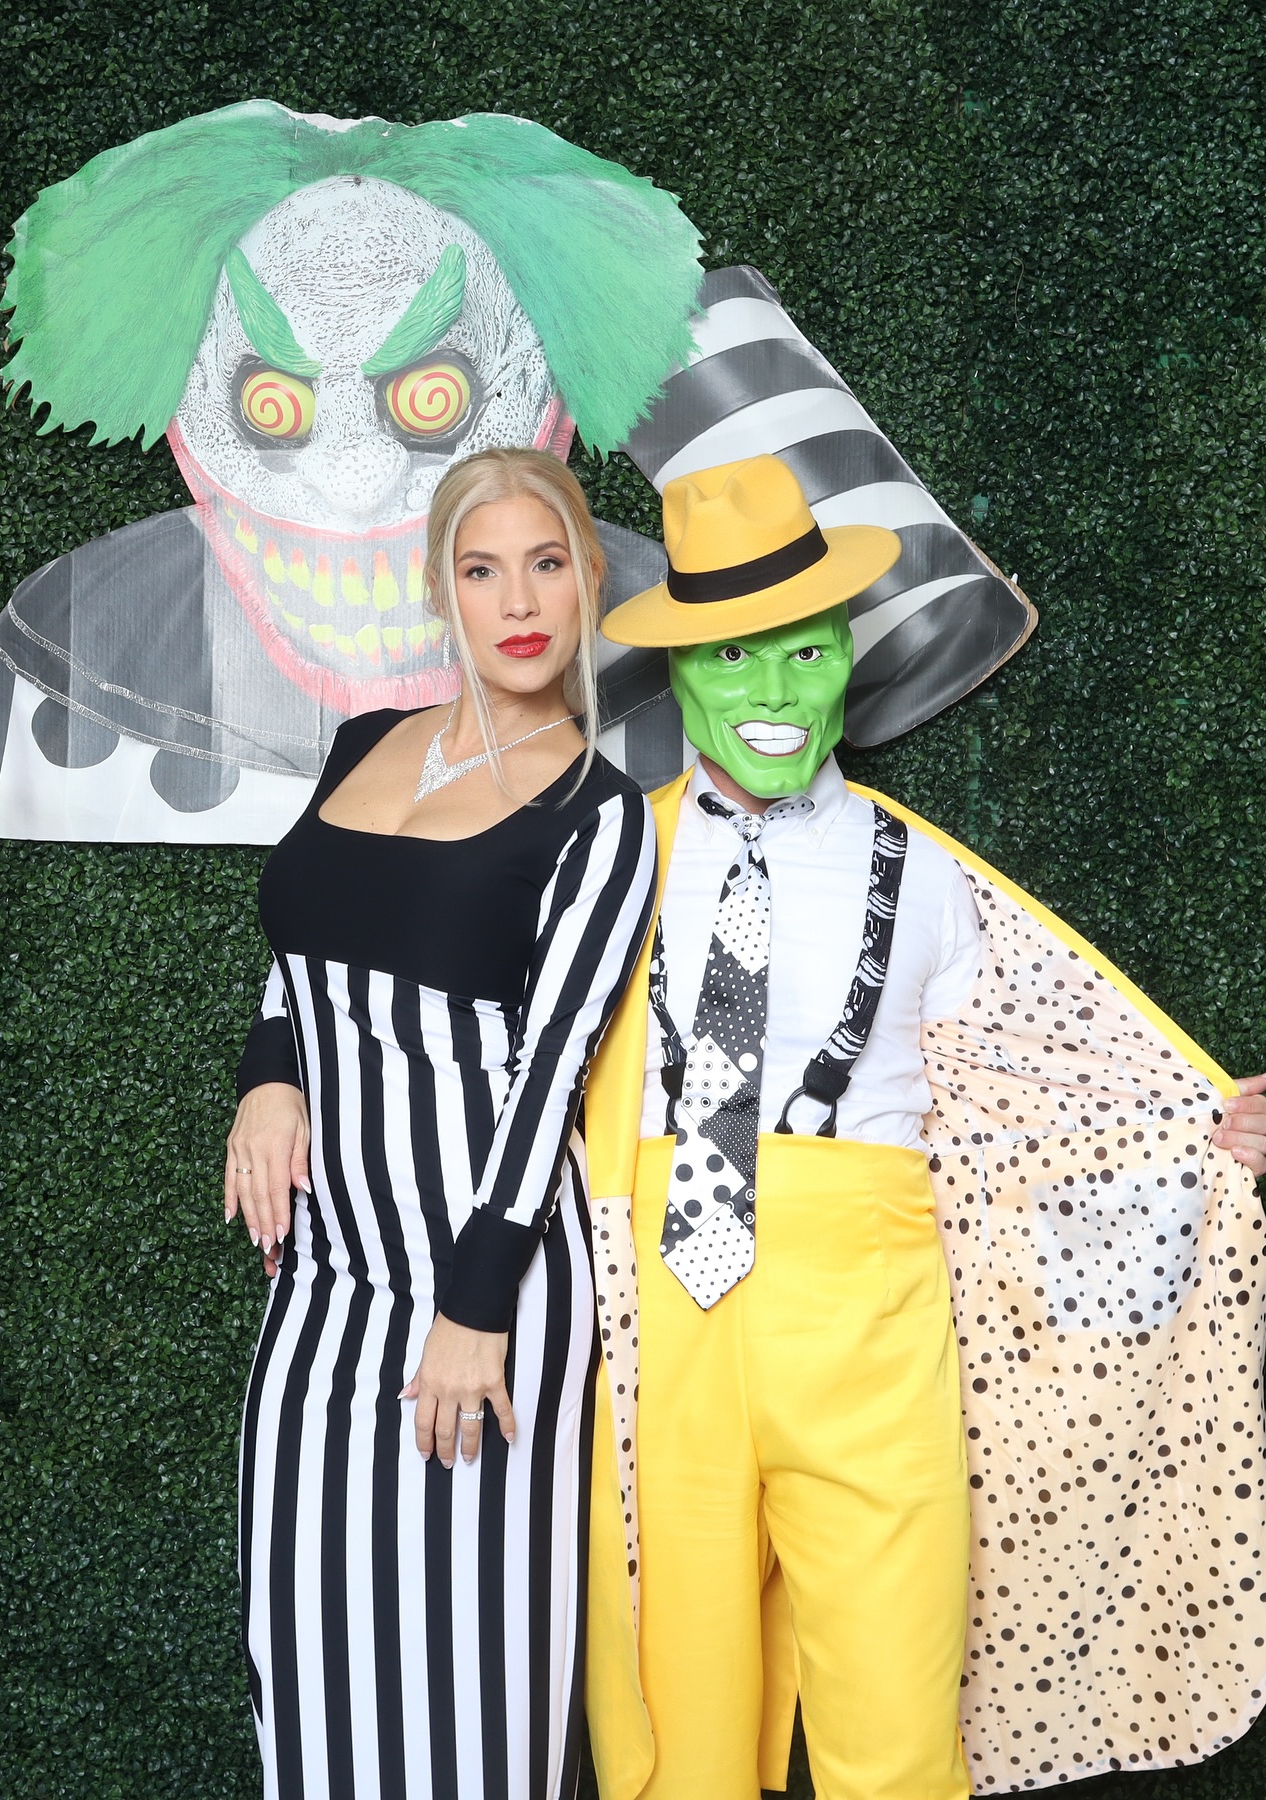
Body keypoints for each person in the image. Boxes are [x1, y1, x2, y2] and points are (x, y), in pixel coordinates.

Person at [580, 454, 1266, 1800]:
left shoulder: (934, 877)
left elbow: (1040, 1093)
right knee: (680, 1716)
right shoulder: (606, 856)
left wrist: (1211, 1133)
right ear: (681, 678)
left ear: (844, 654)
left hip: (871, 1321)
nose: (772, 698)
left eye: (801, 654)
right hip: (660, 1315)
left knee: (895, 1715)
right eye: (732, 661)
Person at [223, 446, 656, 1799]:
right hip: (326, 1283)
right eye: (482, 570)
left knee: (469, 1678)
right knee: (304, 1650)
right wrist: (266, 1072)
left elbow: (546, 1079)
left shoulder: (600, 813)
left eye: (546, 564)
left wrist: (475, 1313)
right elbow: (297, 949)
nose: (517, 599)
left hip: (489, 1288)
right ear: (442, 592)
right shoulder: (363, 743)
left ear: (588, 582)